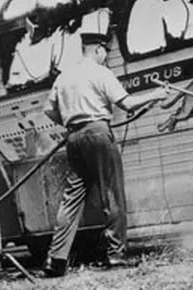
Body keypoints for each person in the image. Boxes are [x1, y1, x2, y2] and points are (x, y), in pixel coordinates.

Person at [41, 32, 170, 277]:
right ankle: (116, 255)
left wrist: (71, 122)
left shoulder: (65, 76)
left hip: (74, 139)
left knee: (71, 199)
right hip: (99, 135)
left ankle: (55, 259)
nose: (106, 57)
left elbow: (48, 110)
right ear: (99, 49)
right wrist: (156, 95)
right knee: (112, 194)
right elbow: (127, 104)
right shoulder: (101, 73)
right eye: (105, 52)